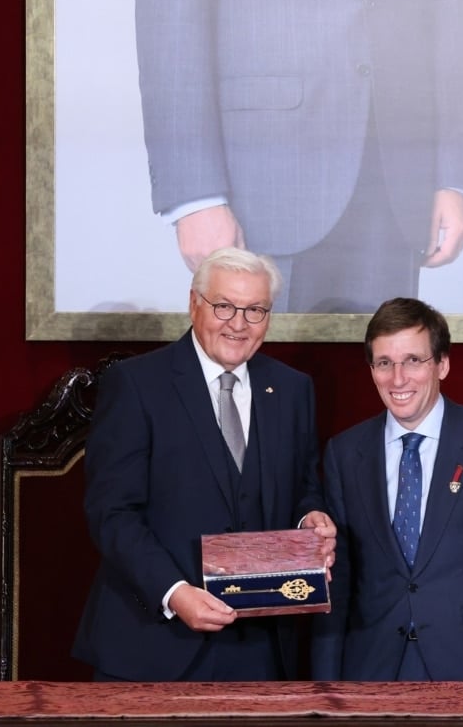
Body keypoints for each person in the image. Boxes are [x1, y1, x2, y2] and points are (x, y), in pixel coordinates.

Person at [72, 247, 336, 681]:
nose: (238, 323)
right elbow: (112, 513)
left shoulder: (292, 389)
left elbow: (304, 485)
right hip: (155, 643)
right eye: (224, 306)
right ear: (194, 303)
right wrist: (174, 594)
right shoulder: (138, 385)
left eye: (255, 310)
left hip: (262, 648)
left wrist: (311, 518)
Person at [132, 0, 463, 313]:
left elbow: (450, 9)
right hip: (262, 175)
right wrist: (194, 195)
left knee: (378, 372)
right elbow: (169, 18)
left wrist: (452, 175)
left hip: (393, 170)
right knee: (267, 372)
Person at [311, 298, 463, 680]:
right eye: (384, 363)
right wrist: (325, 681)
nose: (398, 378)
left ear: (442, 364)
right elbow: (338, 583)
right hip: (371, 667)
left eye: (413, 361)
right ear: (372, 370)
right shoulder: (344, 452)